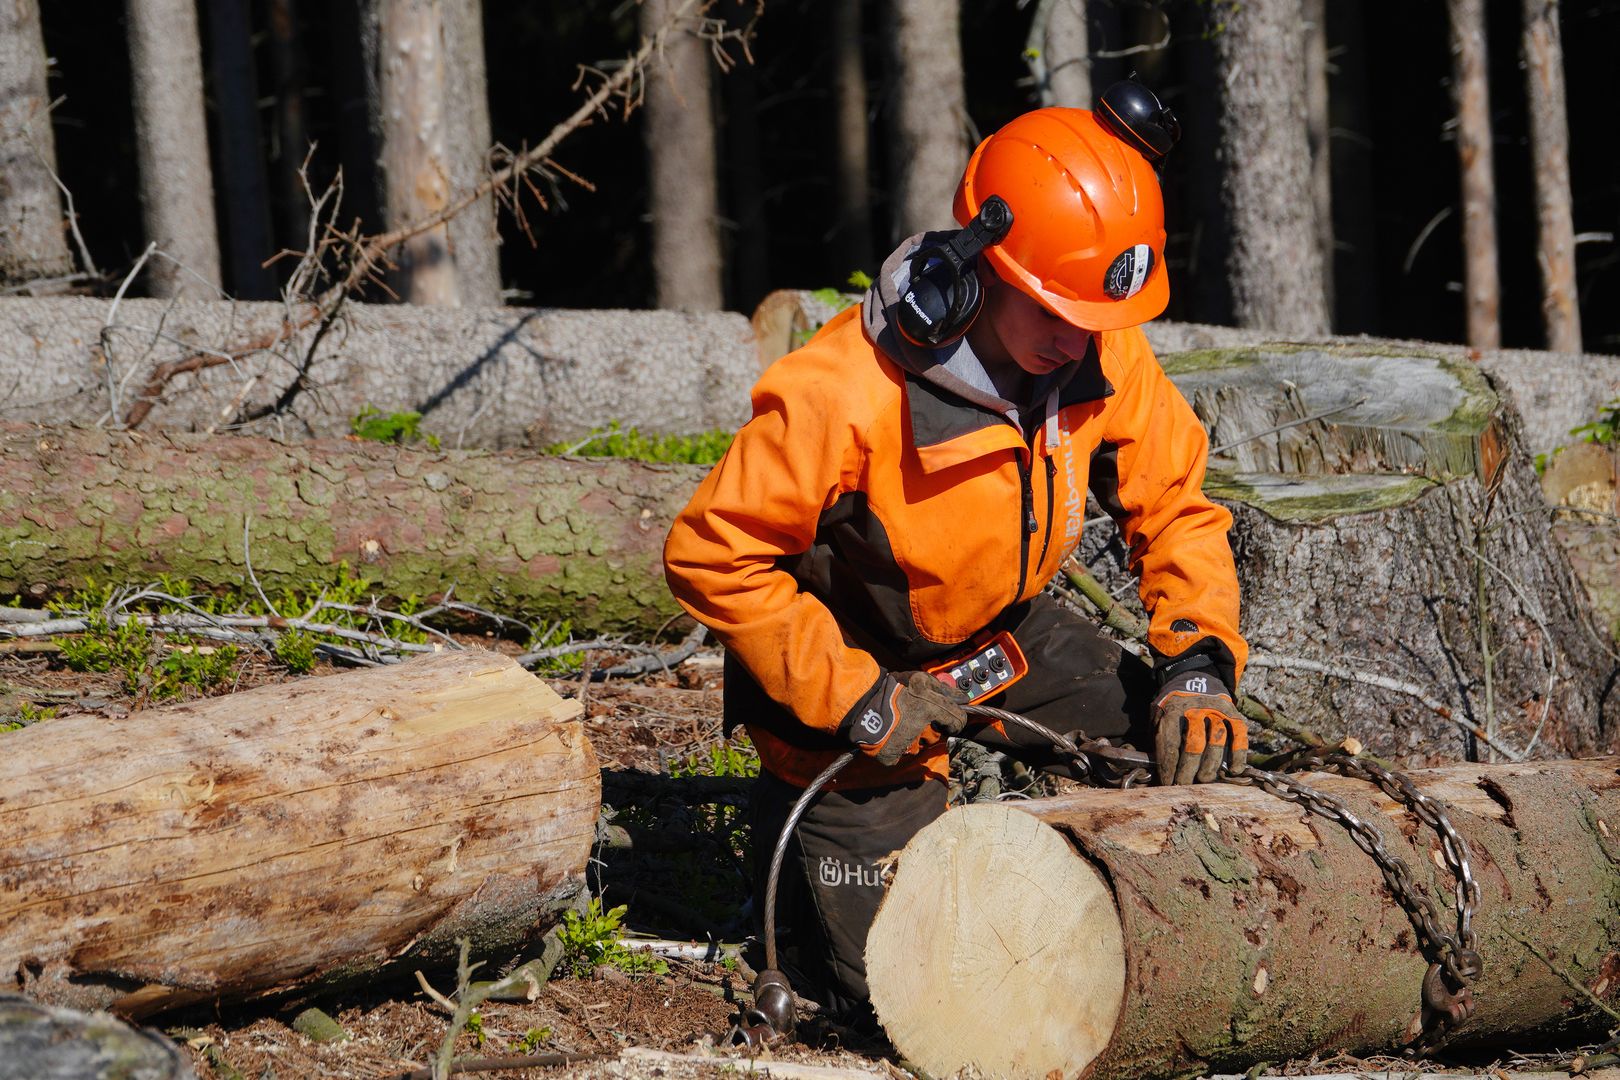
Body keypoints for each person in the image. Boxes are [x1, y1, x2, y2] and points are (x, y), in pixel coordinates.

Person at [662, 87, 1250, 1024]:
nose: (1078, 340)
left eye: (1096, 317)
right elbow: (710, 551)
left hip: (996, 633)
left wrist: (1198, 658)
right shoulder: (847, 392)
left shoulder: (1094, 345)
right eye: (1054, 311)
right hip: (849, 682)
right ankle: (804, 865)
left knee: (1177, 755)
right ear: (983, 265)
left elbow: (1175, 499)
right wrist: (852, 694)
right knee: (917, 990)